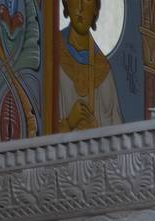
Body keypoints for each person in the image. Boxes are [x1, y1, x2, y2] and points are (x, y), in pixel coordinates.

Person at [57, 0, 124, 131]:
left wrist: (96, 131)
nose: (80, 7)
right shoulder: (52, 54)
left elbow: (117, 135)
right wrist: (69, 123)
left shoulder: (103, 70)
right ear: (66, 4)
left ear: (95, 9)